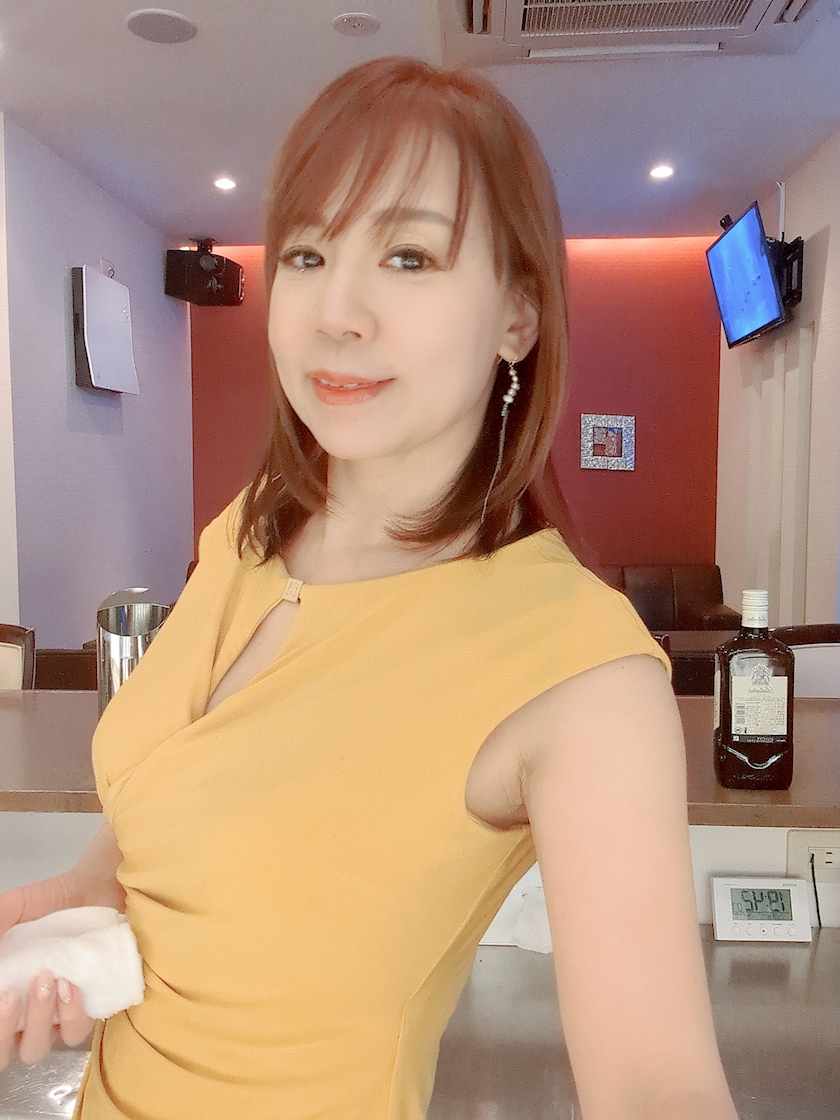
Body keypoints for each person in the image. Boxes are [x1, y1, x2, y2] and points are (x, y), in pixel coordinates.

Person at [0, 57, 739, 1120]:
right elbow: (182, 780)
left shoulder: (580, 666)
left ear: (519, 314)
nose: (336, 312)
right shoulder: (252, 529)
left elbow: (657, 1085)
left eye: (408, 255)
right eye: (307, 253)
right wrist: (87, 887)